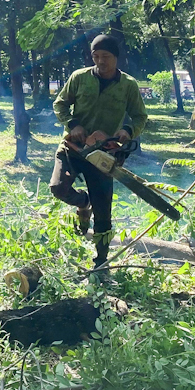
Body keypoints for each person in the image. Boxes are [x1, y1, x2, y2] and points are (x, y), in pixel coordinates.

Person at [50, 34, 148, 268]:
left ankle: (101, 261)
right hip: (73, 149)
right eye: (96, 56)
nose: (100, 61)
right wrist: (73, 124)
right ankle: (84, 203)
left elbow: (140, 116)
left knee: (103, 214)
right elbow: (60, 104)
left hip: (104, 155)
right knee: (58, 187)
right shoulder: (79, 78)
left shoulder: (128, 85)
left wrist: (127, 131)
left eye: (106, 56)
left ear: (116, 57)